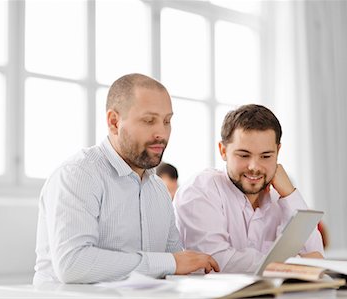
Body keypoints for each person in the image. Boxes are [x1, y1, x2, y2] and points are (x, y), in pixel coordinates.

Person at [33, 73, 219, 284]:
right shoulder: (79, 175)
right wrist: (172, 263)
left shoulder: (158, 189)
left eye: (167, 121)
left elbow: (176, 264)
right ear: (114, 122)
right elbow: (73, 265)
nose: (162, 133)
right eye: (149, 121)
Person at [174, 104, 324, 273]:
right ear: (223, 151)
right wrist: (293, 266)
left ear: (278, 151)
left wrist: (290, 194)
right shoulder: (199, 190)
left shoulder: (280, 197)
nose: (254, 166)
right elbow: (216, 261)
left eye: (266, 156)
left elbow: (315, 255)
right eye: (244, 155)